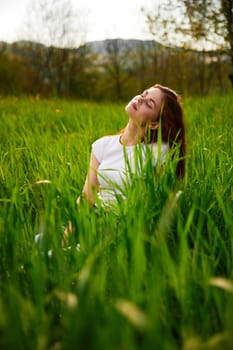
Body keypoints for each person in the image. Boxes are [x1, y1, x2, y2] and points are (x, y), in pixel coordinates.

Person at [76, 83, 186, 209]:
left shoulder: (158, 152)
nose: (140, 99)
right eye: (143, 94)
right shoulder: (102, 145)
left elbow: (162, 203)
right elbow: (87, 197)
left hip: (130, 223)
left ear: (154, 124)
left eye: (149, 104)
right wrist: (71, 227)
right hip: (96, 218)